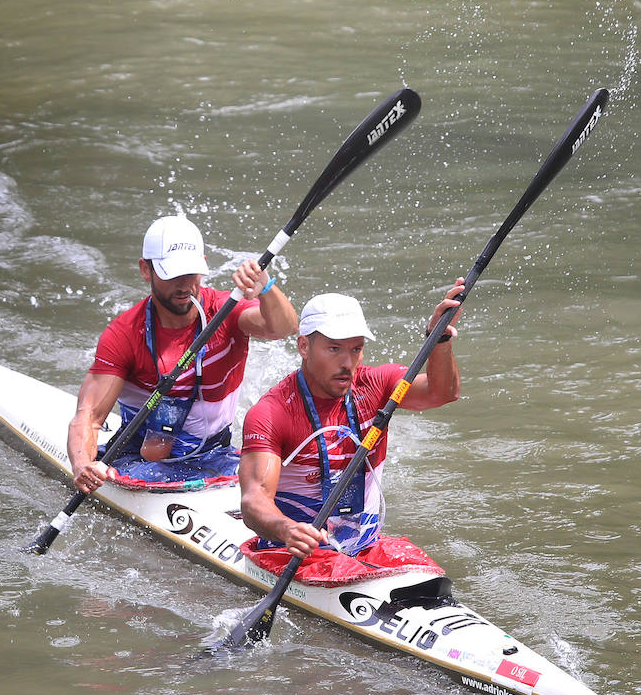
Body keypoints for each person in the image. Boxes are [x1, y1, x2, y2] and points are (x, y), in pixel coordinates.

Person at [237, 284, 464, 582]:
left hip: (363, 548)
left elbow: (440, 393)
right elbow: (254, 501)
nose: (347, 363)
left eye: (356, 349)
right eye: (334, 349)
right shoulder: (272, 413)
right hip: (294, 554)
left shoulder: (377, 385)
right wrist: (286, 529)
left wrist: (441, 340)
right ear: (303, 346)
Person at [68, 215, 298, 493]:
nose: (185, 285)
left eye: (191, 272)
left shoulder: (225, 311)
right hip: (141, 459)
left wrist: (266, 289)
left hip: (216, 455)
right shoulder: (125, 335)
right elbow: (89, 416)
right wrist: (82, 465)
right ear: (145, 270)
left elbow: (284, 328)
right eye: (172, 274)